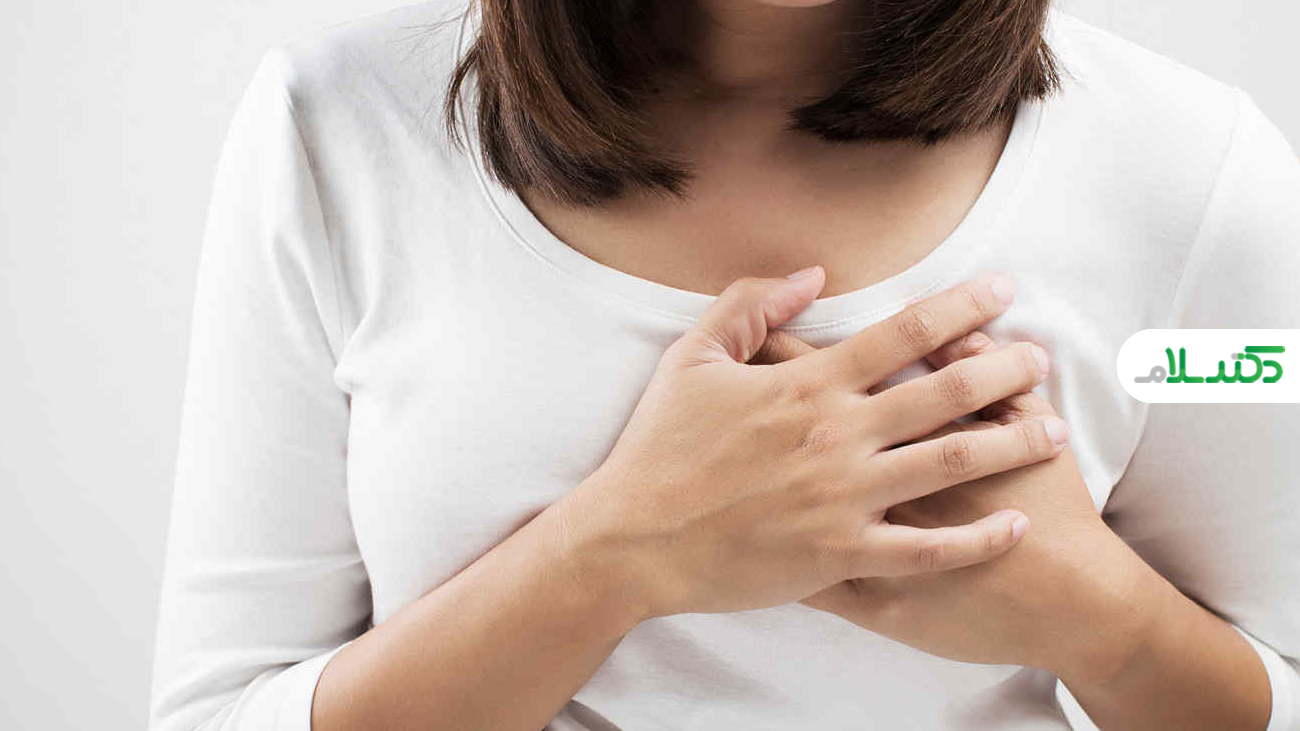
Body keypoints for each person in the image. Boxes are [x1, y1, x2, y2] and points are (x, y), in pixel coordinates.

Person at [148, 1, 1300, 729]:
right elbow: (217, 712)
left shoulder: (1196, 176)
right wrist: (621, 552)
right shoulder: (336, 128)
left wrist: (1103, 620)